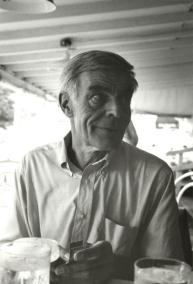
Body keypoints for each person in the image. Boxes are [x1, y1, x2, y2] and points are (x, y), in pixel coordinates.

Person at [0, 50, 184, 282]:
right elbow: (8, 251)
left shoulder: (154, 175)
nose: (117, 111)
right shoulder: (32, 166)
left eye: (124, 98)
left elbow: (167, 272)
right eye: (97, 97)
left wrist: (115, 265)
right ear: (67, 105)